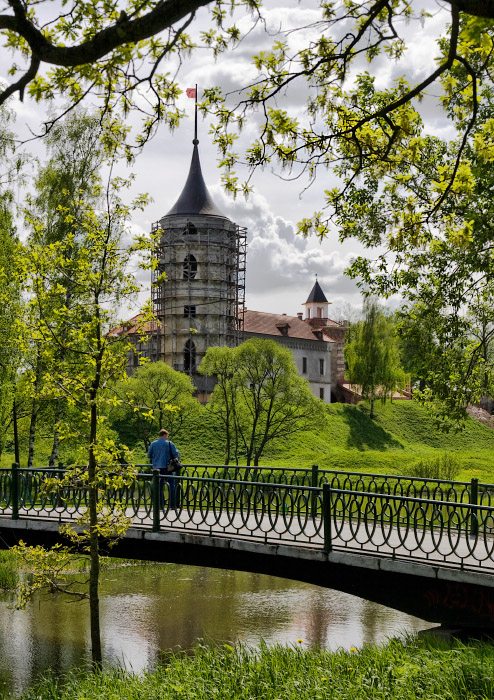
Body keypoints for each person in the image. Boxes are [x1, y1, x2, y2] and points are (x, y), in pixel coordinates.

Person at [147, 428, 180, 510]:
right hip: (168, 468)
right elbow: (176, 454)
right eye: (167, 435)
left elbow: (149, 455)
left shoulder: (153, 444)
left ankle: (160, 504)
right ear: (165, 435)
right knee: (171, 485)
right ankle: (172, 505)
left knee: (159, 486)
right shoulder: (169, 444)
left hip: (157, 469)